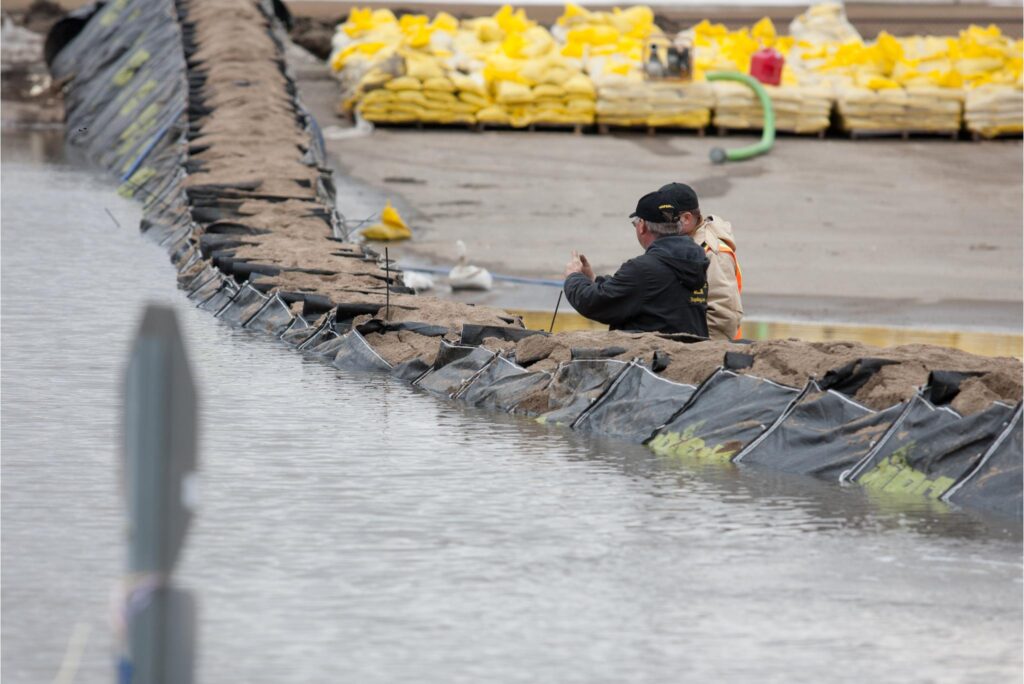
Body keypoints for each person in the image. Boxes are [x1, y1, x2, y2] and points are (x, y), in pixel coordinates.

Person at [563, 190, 709, 336]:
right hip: (689, 352)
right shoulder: (694, 258)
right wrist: (594, 280)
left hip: (655, 356)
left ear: (642, 226)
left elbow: (595, 303)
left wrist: (574, 277)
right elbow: (645, 292)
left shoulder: (643, 269)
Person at [660, 182, 743, 340]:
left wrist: (697, 349)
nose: (657, 224)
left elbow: (725, 316)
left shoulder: (713, 254)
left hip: (711, 351)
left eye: (663, 218)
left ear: (686, 218)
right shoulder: (682, 244)